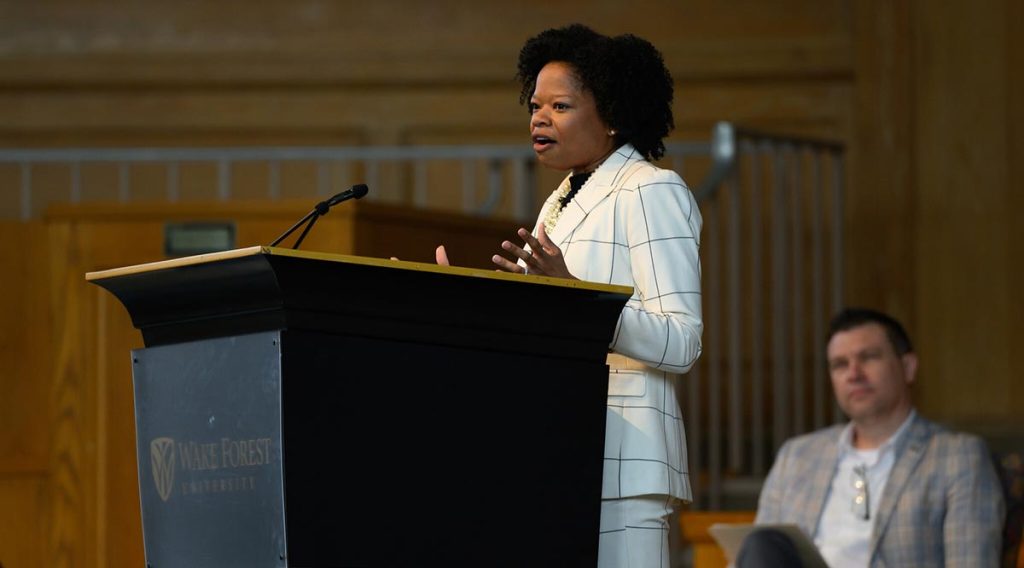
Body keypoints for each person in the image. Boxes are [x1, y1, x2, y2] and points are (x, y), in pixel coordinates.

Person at [436, 24, 703, 567]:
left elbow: (683, 340)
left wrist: (578, 297)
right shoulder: (558, 202)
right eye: (534, 105)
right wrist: (456, 296)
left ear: (611, 117)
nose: (539, 118)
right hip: (558, 446)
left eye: (560, 105)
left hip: (625, 463)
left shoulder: (651, 189)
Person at [738, 308, 1005, 567]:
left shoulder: (957, 457)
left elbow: (971, 561)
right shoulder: (797, 456)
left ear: (908, 367)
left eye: (868, 357)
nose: (853, 374)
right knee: (762, 543)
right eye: (840, 365)